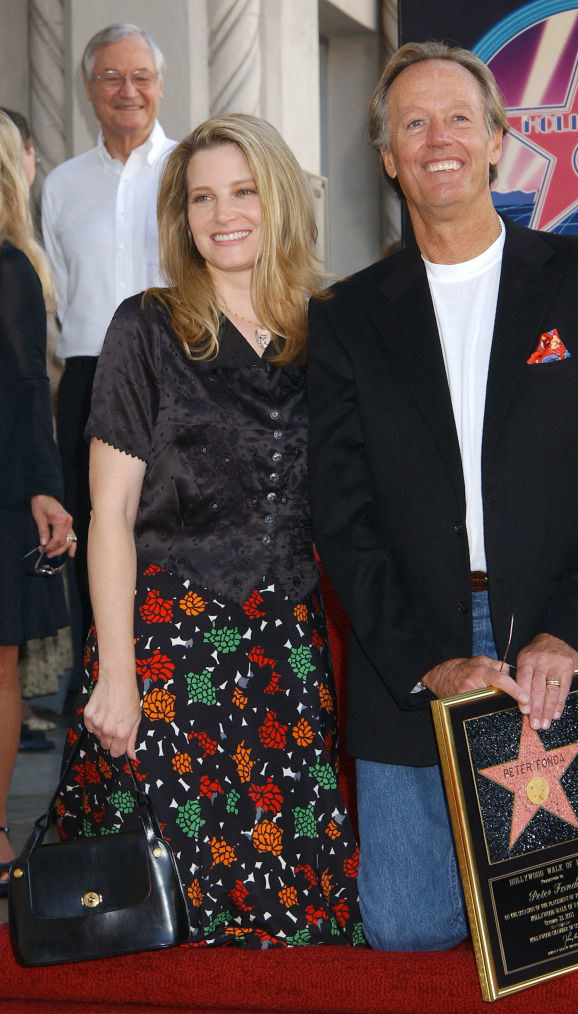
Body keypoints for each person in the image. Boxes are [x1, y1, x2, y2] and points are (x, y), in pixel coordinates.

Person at [306, 41, 578, 951]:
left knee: (549, 934)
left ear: (499, 141)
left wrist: (568, 635)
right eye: (413, 124)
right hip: (414, 651)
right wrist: (431, 661)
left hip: (545, 650)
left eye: (458, 118)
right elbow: (342, 518)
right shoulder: (346, 316)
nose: (439, 140)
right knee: (405, 927)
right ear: (388, 156)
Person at [57, 114, 365, 949]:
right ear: (181, 216)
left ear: (280, 201)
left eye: (243, 191)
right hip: (166, 651)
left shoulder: (331, 329)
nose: (223, 214)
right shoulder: (147, 328)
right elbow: (110, 513)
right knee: (160, 919)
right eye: (202, 197)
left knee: (301, 916)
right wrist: (114, 676)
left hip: (284, 655)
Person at [41, 23, 175, 700]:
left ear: (160, 85)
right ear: (90, 90)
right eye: (112, 78)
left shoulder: (191, 171)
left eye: (141, 77)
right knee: (95, 539)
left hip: (179, 374)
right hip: (90, 380)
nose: (129, 91)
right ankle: (94, 714)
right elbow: (59, 294)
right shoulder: (61, 186)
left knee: (170, 536)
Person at [0, 111, 76, 894]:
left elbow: (27, 391)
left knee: (0, 674)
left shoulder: (11, 265)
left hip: (2, 493)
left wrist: (44, 490)